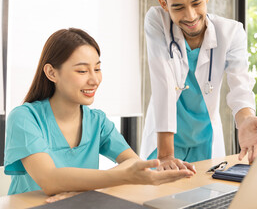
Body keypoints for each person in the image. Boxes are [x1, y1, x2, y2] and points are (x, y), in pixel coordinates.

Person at [4, 28, 194, 197]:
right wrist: (119, 177)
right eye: (82, 71)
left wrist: (78, 189)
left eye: (97, 68)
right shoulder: (24, 118)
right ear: (52, 73)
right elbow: (50, 180)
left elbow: (132, 162)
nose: (95, 80)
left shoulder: (97, 121)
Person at [140, 0, 257, 169]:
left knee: (205, 197)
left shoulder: (231, 32)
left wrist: (246, 119)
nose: (190, 15)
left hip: (205, 141)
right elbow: (163, 83)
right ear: (164, 4)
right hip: (164, 143)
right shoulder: (157, 21)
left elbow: (240, 85)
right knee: (158, 198)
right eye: (178, 7)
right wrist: (166, 154)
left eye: (196, 3)